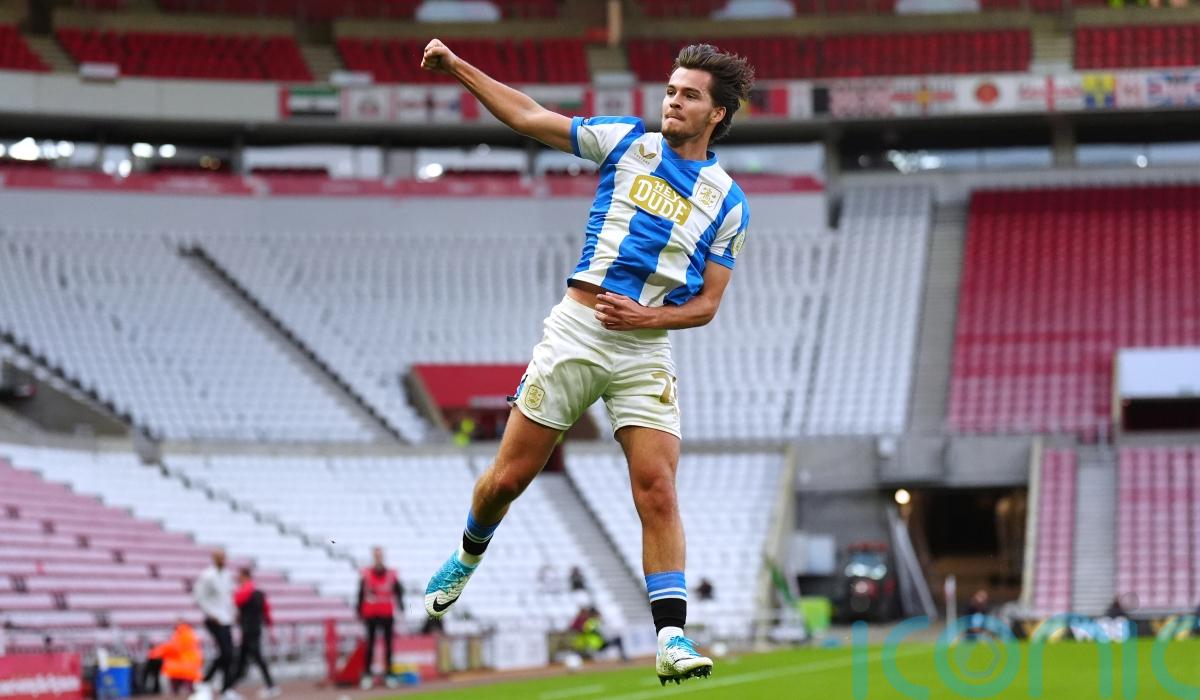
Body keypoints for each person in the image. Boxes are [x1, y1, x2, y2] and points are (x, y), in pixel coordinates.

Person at [418, 37, 754, 686]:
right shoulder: (626, 142)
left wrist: (647, 319)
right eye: (671, 91)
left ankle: (671, 637)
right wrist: (457, 66)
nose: (672, 102)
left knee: (657, 488)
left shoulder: (728, 203)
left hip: (644, 346)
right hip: (577, 331)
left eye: (688, 96)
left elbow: (708, 305)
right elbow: (528, 116)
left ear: (716, 113)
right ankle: (465, 556)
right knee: (507, 480)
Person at [357, 546, 405, 690]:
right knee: (370, 645)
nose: (378, 558)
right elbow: (360, 593)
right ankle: (367, 675)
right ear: (373, 557)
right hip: (371, 614)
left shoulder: (390, 575)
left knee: (388, 646)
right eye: (376, 555)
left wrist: (401, 607)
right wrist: (359, 611)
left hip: (387, 613)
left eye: (380, 555)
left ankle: (389, 675)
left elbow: (399, 591)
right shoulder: (366, 574)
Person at [193, 549, 236, 699]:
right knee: (226, 652)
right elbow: (198, 597)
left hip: (226, 618)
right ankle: (206, 682)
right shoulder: (207, 576)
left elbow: (228, 597)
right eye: (220, 557)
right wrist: (211, 614)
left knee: (229, 654)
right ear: (214, 558)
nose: (223, 560)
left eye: (224, 557)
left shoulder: (227, 575)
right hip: (214, 619)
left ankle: (225, 688)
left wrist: (233, 612)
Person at [230, 568, 278, 699]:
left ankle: (271, 686)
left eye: (240, 576)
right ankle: (229, 688)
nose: (238, 579)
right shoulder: (258, 593)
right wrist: (270, 628)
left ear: (245, 577)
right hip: (252, 630)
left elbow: (236, 601)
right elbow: (266, 611)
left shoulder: (245, 592)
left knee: (254, 658)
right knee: (244, 658)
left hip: (249, 630)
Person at [144, 621, 203, 695]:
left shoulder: (179, 636)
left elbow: (169, 648)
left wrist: (153, 653)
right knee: (189, 690)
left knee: (176, 692)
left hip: (178, 669)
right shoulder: (192, 636)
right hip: (191, 668)